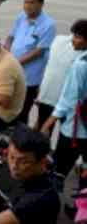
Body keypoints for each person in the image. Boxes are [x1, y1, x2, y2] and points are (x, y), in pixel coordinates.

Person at [0, 126, 60, 224]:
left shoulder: (41, 198)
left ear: (42, 162)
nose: (14, 166)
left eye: (24, 162)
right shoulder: (10, 167)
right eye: (11, 157)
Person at [40, 19, 87, 177]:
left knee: (59, 172)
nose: (72, 39)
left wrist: (48, 123)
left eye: (78, 36)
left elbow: (69, 100)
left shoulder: (80, 65)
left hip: (74, 131)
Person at [4, 0, 56, 125]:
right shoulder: (21, 16)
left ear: (41, 4)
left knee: (22, 112)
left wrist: (13, 63)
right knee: (8, 109)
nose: (27, 6)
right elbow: (10, 37)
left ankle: (21, 143)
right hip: (12, 72)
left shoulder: (49, 25)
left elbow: (38, 51)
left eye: (31, 2)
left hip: (29, 78)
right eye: (25, 2)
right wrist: (6, 53)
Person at [35, 33, 80, 130]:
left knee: (41, 133)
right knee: (65, 133)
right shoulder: (81, 52)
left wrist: (41, 92)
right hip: (66, 103)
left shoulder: (58, 39)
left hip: (47, 95)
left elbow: (49, 66)